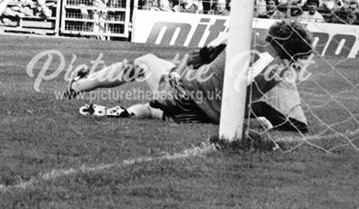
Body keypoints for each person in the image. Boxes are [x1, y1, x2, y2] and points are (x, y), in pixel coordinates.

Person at [66, 20, 313, 132]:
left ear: (275, 35)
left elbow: (201, 55)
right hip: (206, 118)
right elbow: (295, 123)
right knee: (154, 106)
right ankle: (133, 112)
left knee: (146, 62)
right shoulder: (282, 73)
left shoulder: (246, 37)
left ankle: (79, 85)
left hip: (188, 94)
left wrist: (201, 61)